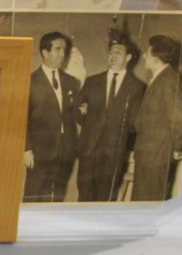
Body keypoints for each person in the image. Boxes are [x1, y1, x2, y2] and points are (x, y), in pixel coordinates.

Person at [76, 32, 146, 201]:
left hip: (114, 152)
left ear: (128, 57)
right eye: (111, 52)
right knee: (84, 196)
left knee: (105, 196)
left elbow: (134, 124)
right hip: (89, 150)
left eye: (118, 52)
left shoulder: (136, 87)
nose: (113, 56)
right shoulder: (92, 82)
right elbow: (77, 112)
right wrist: (85, 115)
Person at [25, 32, 81, 201]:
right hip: (39, 149)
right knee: (34, 192)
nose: (62, 54)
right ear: (45, 52)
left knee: (58, 193)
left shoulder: (72, 82)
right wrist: (26, 149)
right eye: (58, 49)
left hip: (66, 149)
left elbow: (76, 115)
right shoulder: (29, 81)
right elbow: (22, 118)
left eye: (64, 49)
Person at [133, 35, 182, 201]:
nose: (144, 56)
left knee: (149, 202)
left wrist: (176, 149)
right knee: (141, 202)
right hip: (148, 154)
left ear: (157, 58)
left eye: (147, 52)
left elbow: (179, 119)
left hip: (156, 155)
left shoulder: (168, 81)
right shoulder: (160, 78)